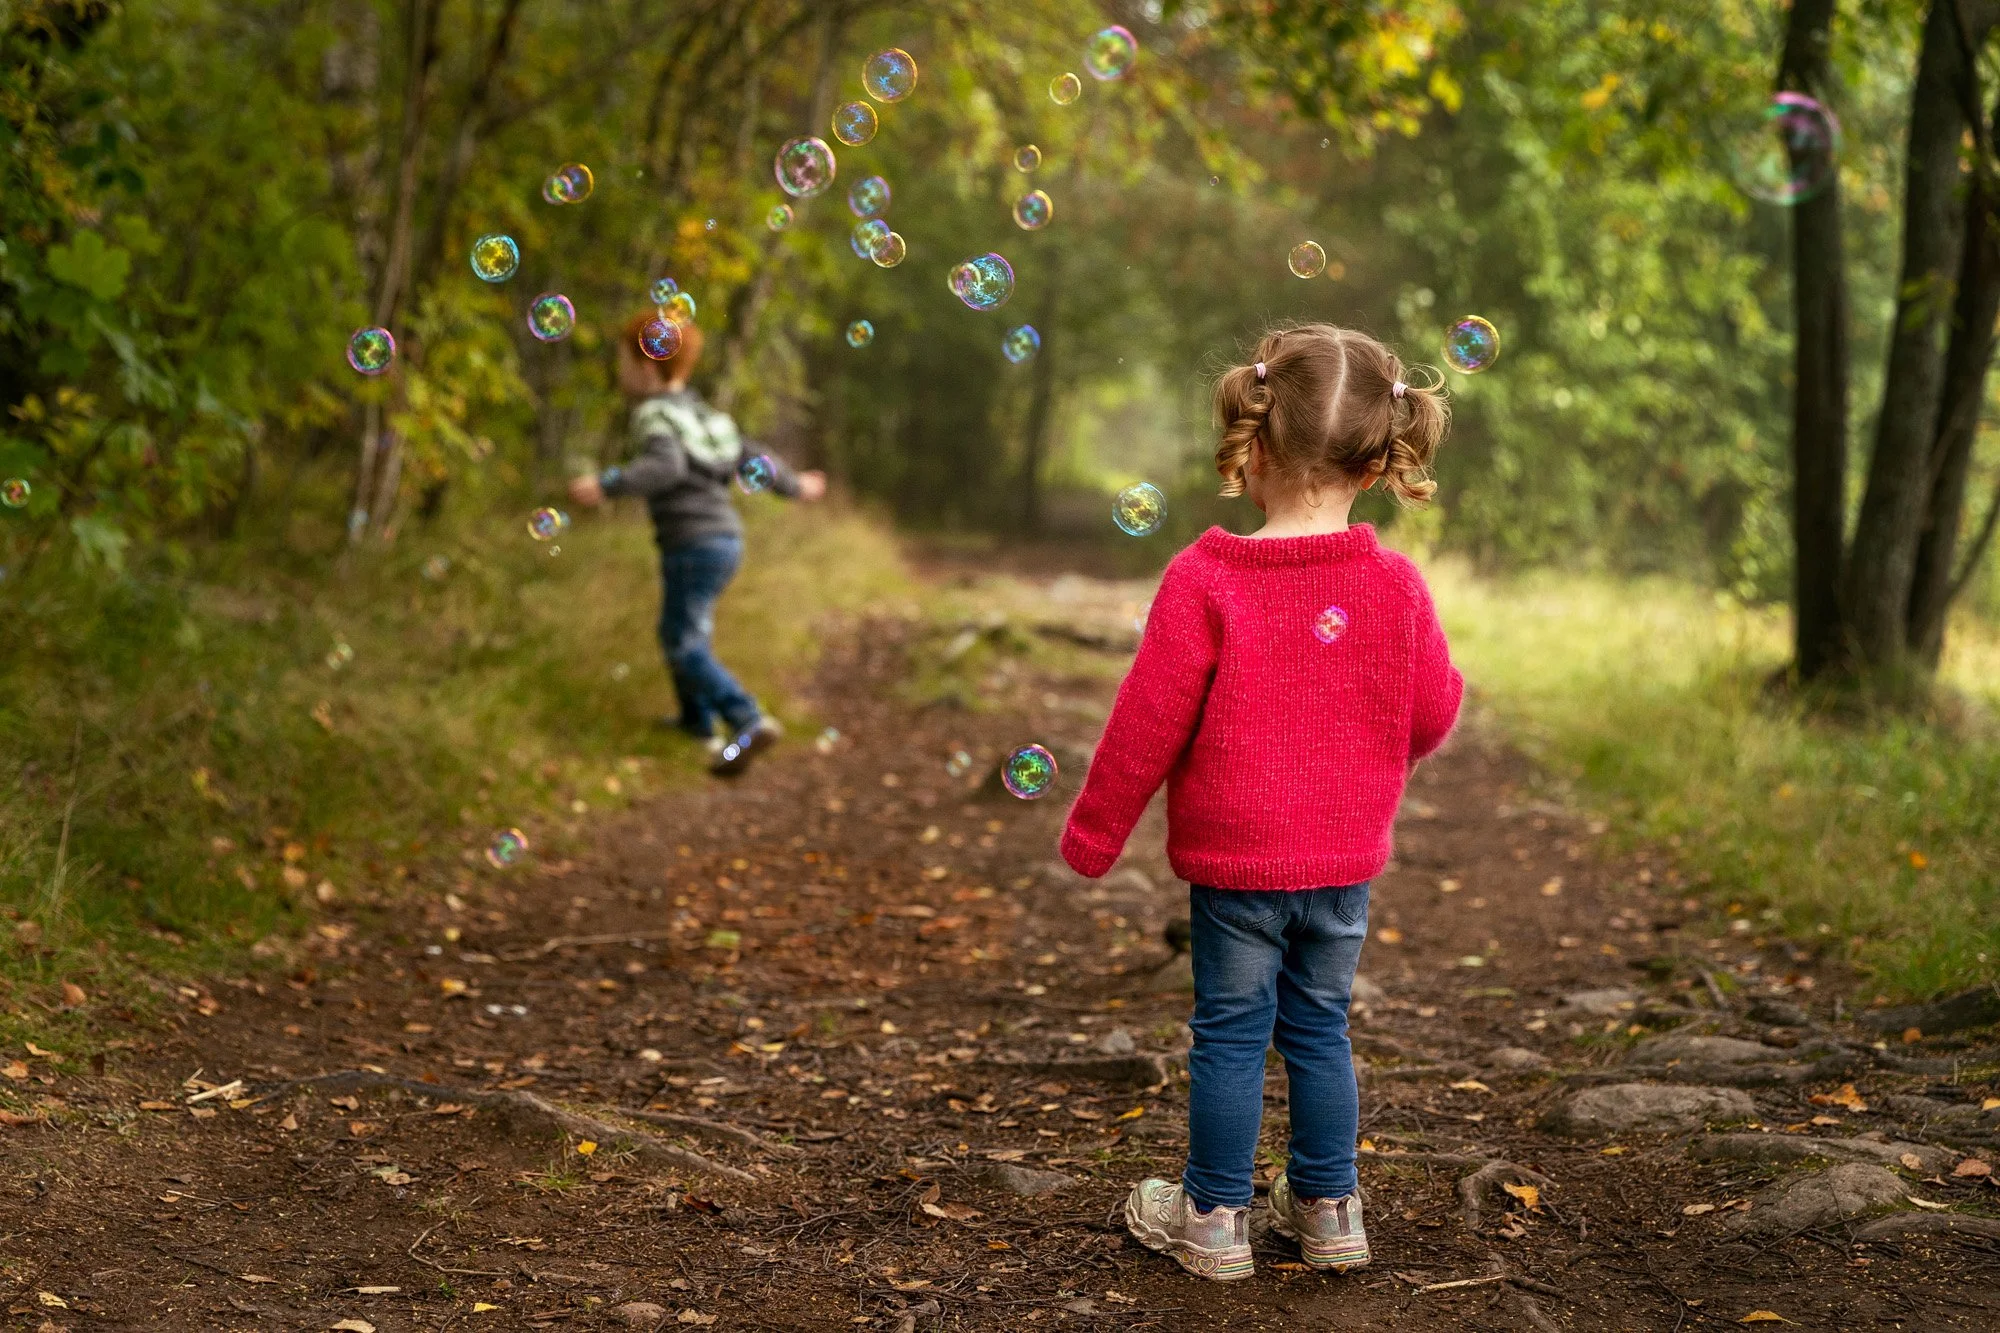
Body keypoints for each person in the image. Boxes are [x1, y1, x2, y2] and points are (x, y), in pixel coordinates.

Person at [1059, 323, 1463, 1281]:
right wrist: (1367, 761)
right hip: (1342, 863)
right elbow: (1436, 709)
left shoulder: (1204, 578)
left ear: (1254, 442)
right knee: (1321, 1026)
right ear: (1375, 460)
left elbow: (1145, 724)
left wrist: (1094, 830)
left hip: (1235, 865)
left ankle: (1213, 1218)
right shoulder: (1394, 584)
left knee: (1233, 1034)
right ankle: (1329, 1209)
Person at [569, 314, 826, 775]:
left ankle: (746, 717)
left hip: (691, 542)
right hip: (726, 540)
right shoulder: (707, 415)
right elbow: (754, 457)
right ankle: (696, 722)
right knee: (688, 633)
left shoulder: (654, 416)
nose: (621, 372)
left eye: (624, 362)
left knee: (680, 640)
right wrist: (796, 486)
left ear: (647, 370)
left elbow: (665, 468)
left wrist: (608, 484)